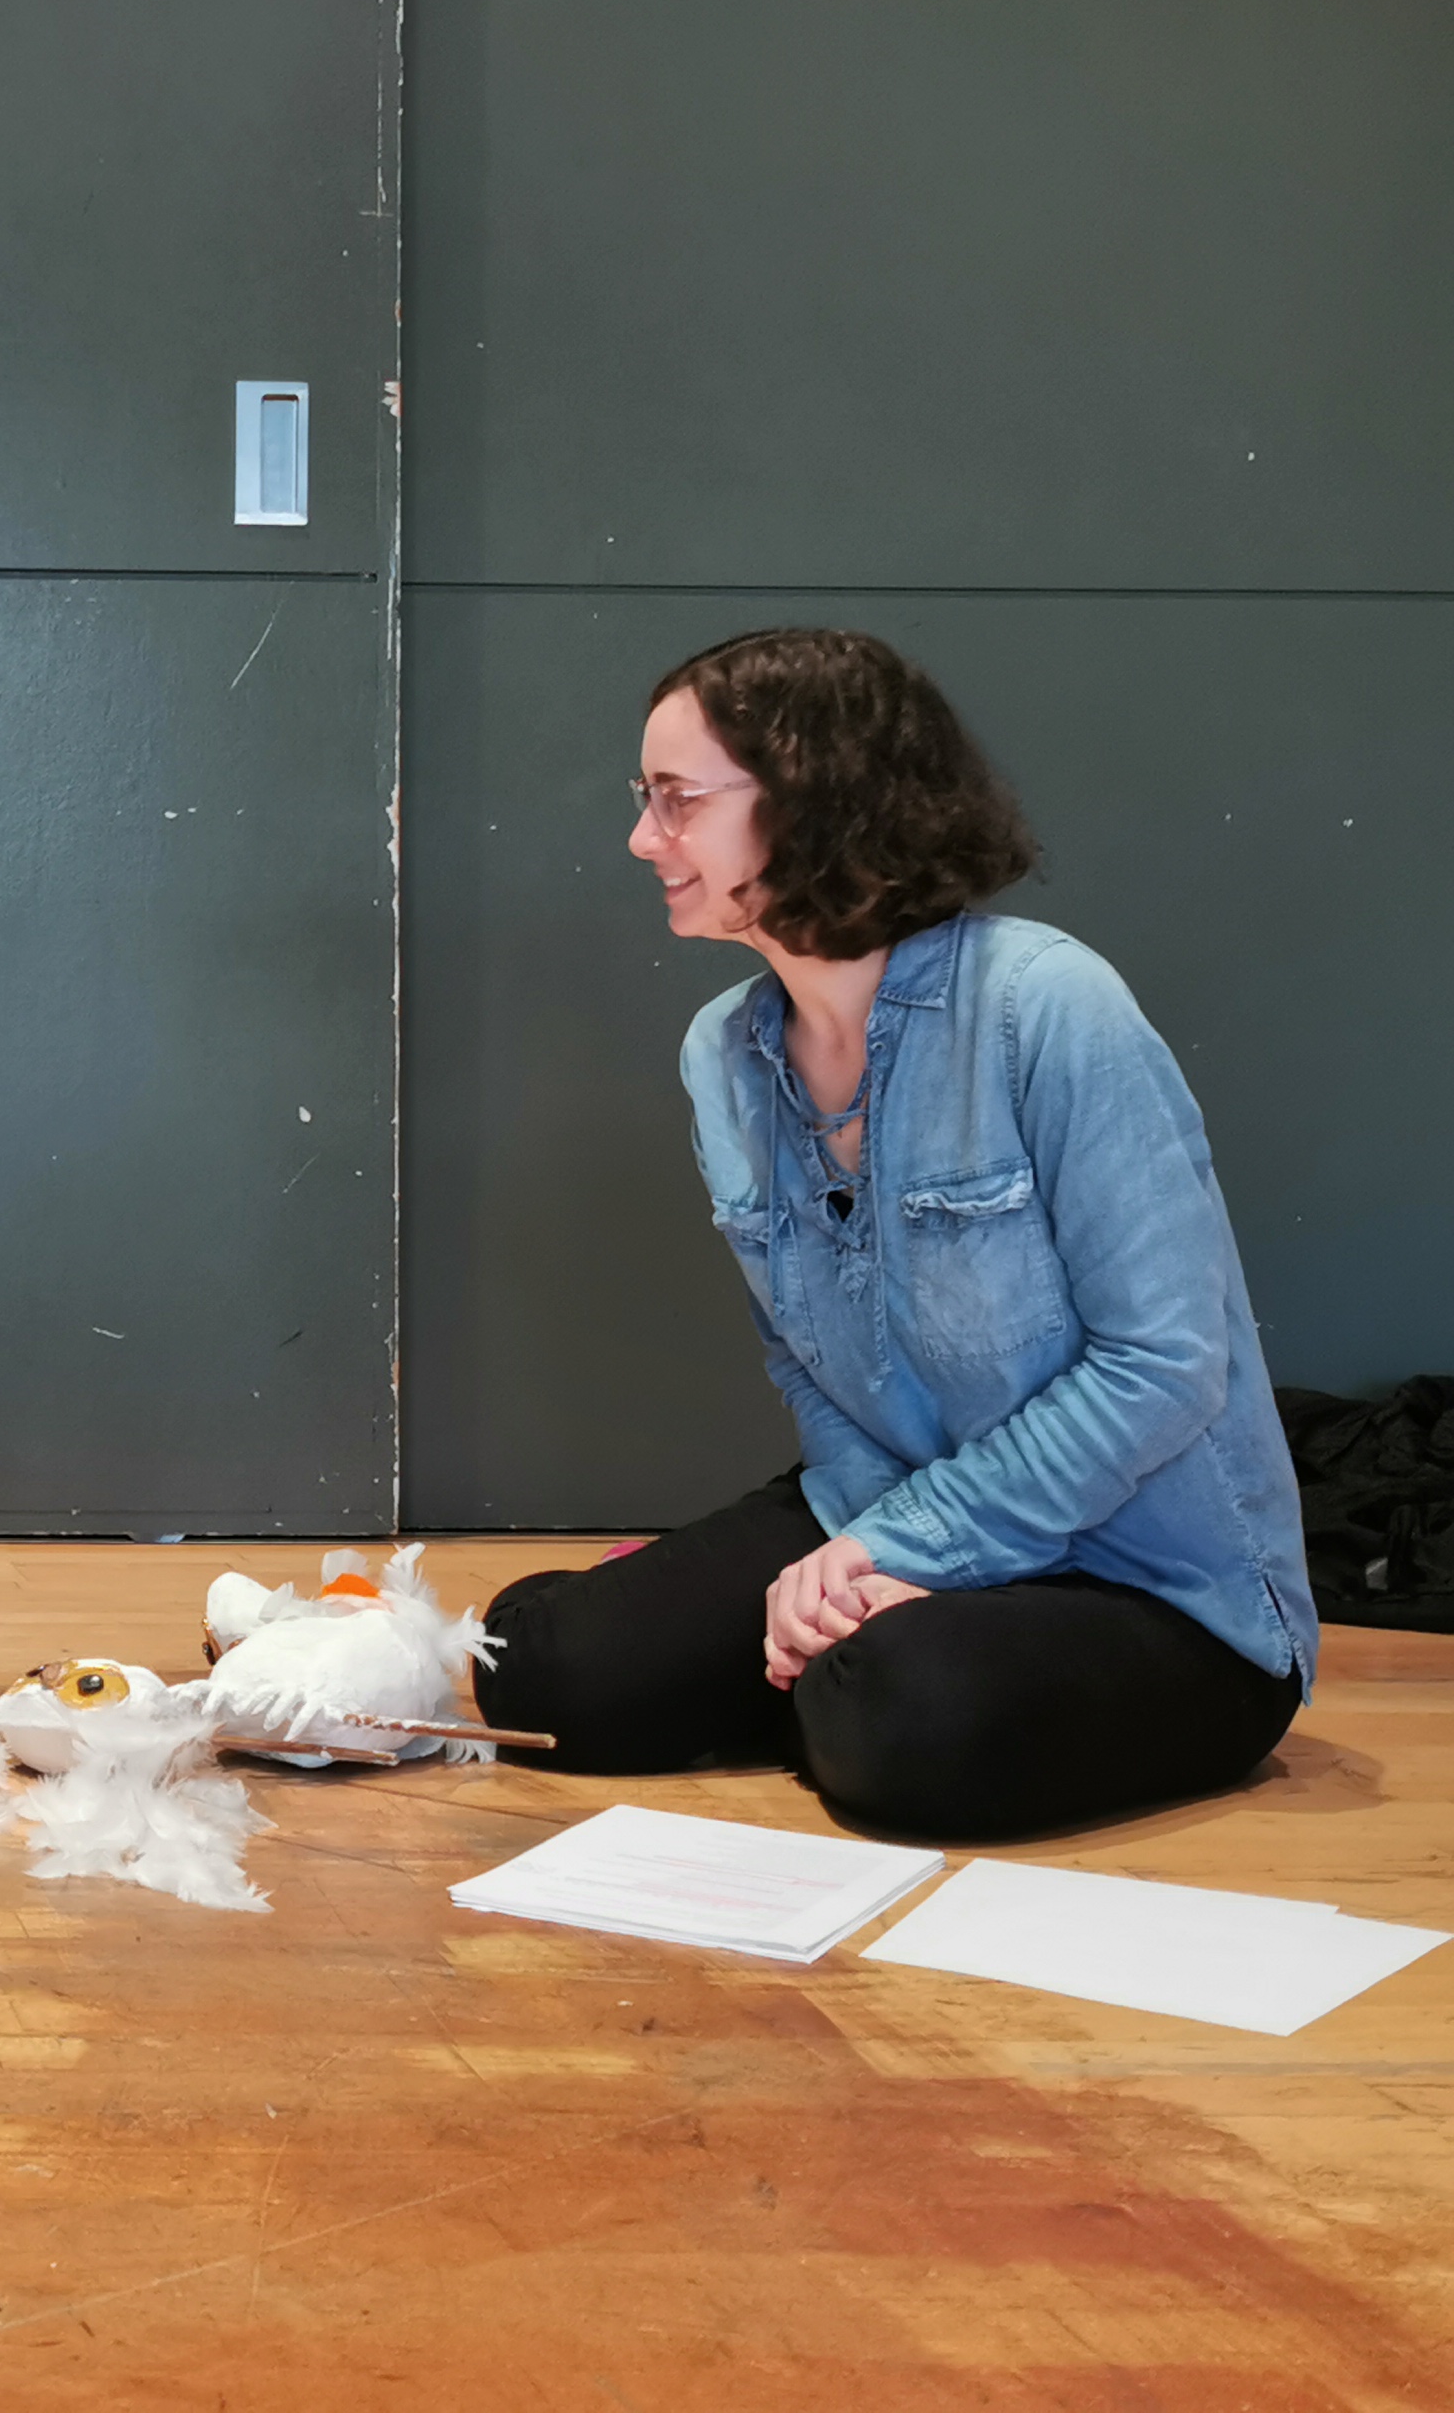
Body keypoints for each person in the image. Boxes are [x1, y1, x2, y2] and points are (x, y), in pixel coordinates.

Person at [473, 628, 1314, 1841]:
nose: (642, 839)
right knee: (539, 1669)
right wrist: (862, 1563)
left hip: (1153, 1581)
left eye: (676, 801)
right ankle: (839, 1668)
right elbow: (807, 1364)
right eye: (643, 801)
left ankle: (860, 1679)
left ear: (812, 796)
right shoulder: (725, 1052)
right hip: (893, 1502)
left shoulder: (1046, 1006)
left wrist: (907, 1548)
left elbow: (1163, 1367)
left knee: (903, 1715)